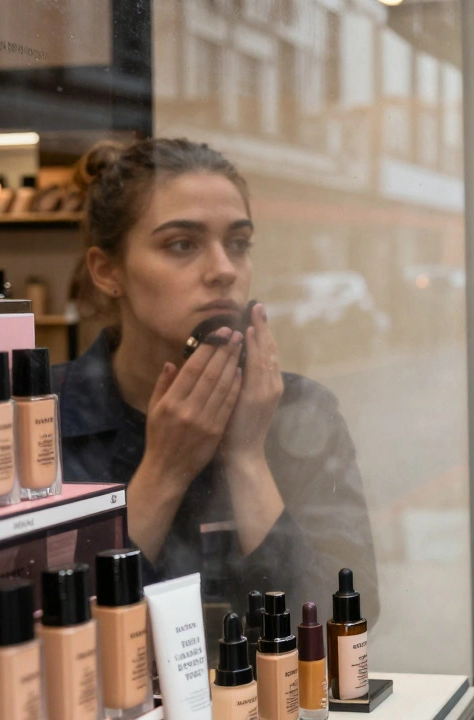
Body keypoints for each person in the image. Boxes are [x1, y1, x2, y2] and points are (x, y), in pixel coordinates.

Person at [55, 138, 379, 620]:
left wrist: (247, 458)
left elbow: (345, 623)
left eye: (239, 244)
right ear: (107, 271)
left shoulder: (298, 410)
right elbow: (57, 637)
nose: (224, 270)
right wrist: (164, 470)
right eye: (181, 245)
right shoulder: (43, 420)